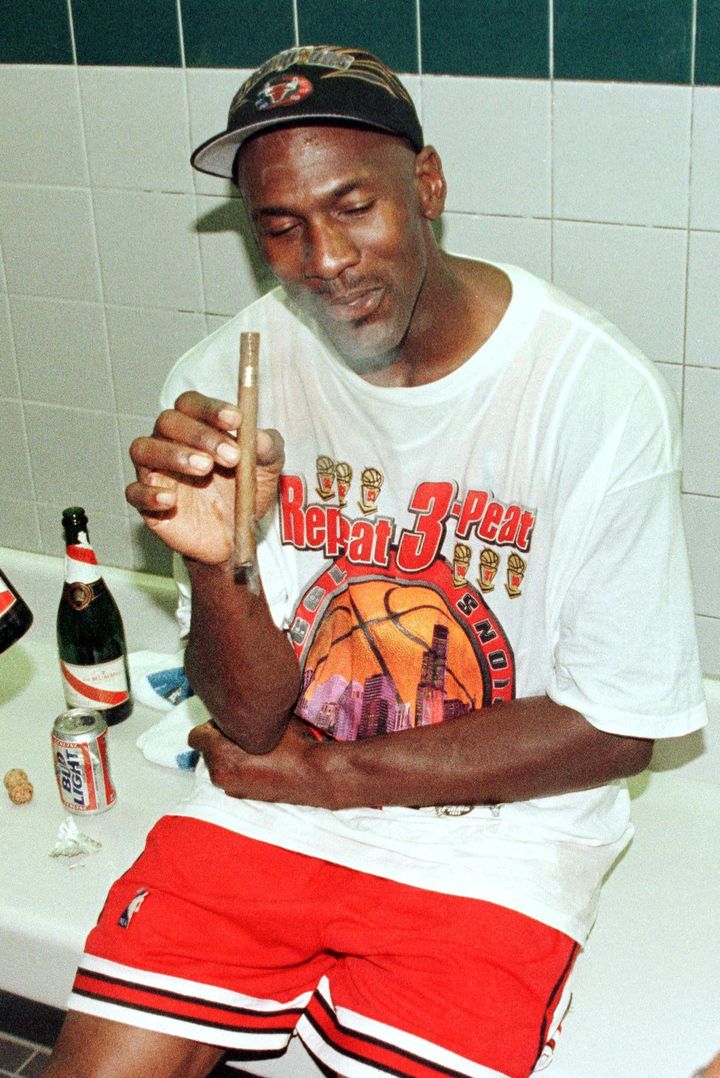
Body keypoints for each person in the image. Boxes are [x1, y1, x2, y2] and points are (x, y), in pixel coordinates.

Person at [45, 45, 707, 1078]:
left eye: (353, 205)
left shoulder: (588, 391)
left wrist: (326, 777)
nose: (325, 258)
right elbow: (250, 719)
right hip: (270, 794)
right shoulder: (228, 378)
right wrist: (226, 566)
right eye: (281, 227)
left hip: (504, 842)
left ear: (427, 185)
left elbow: (620, 726)